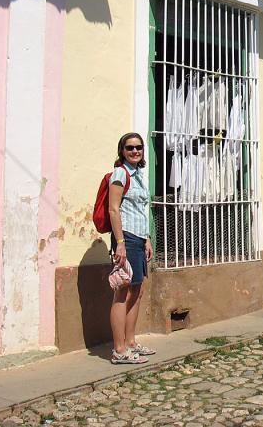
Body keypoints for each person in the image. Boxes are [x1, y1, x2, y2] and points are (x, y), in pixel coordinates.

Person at [108, 132, 155, 364]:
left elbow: (139, 210)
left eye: (138, 147)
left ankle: (131, 342)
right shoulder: (121, 173)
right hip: (125, 238)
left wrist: (146, 238)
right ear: (122, 151)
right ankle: (119, 349)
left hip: (138, 238)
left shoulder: (139, 176)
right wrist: (120, 244)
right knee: (122, 291)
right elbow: (114, 210)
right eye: (130, 148)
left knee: (137, 291)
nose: (135, 151)